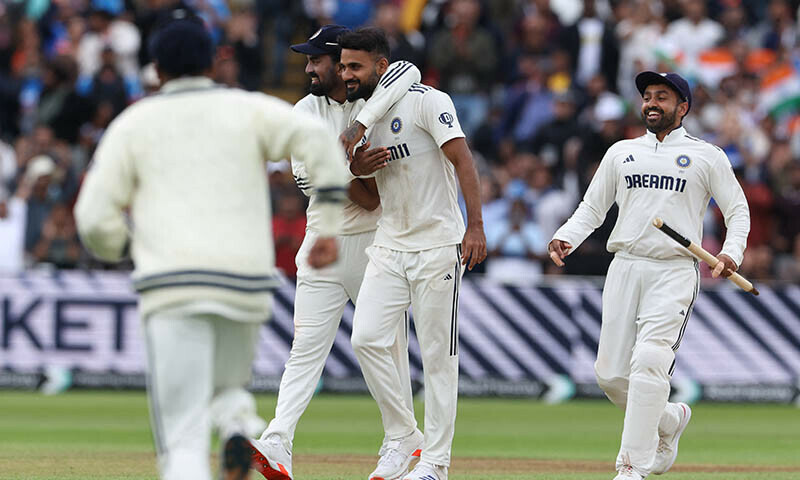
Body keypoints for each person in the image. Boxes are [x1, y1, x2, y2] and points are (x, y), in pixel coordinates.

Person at [73, 12, 349, 480]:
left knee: (182, 435)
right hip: (244, 283)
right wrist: (327, 224)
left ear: (157, 70)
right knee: (227, 386)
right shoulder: (247, 109)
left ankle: (229, 433)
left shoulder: (136, 122)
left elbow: (92, 218)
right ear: (213, 62)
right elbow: (318, 140)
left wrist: (124, 245)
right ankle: (239, 425)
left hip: (172, 283)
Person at [548, 71, 750, 480]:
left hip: (674, 270)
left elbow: (737, 211)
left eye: (662, 96)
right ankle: (670, 419)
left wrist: (731, 252)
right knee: (610, 376)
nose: (652, 103)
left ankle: (631, 467)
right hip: (624, 267)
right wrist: (566, 236)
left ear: (683, 107)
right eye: (647, 96)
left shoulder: (706, 155)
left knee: (650, 363)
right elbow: (592, 208)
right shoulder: (621, 152)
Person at [248, 24, 422, 480]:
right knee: (304, 349)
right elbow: (331, 187)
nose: (308, 68)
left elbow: (409, 72)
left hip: (378, 244)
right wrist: (352, 167)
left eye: (316, 61)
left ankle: (402, 442)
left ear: (342, 64)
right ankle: (278, 441)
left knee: (386, 348)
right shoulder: (304, 111)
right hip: (321, 241)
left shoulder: (378, 99)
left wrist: (357, 137)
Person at [341, 28, 486, 480]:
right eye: (343, 66)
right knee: (364, 338)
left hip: (438, 243)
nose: (346, 74)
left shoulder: (429, 100)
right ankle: (405, 436)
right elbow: (368, 199)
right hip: (390, 242)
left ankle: (437, 465)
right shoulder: (359, 113)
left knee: (440, 359)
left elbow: (463, 161)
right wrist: (354, 169)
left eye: (354, 67)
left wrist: (475, 225)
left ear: (381, 66)